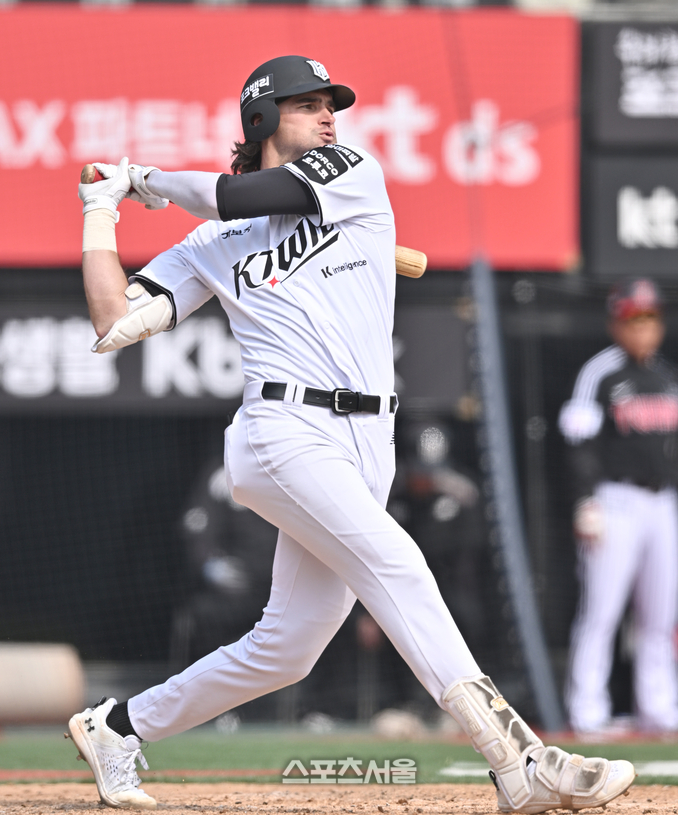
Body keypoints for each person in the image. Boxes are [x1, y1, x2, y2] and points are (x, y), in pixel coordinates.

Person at [67, 55, 634, 812]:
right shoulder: (211, 244)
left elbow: (239, 193)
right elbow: (114, 323)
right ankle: (519, 761)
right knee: (399, 564)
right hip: (282, 430)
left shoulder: (350, 173)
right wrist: (101, 209)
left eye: (330, 103)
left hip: (370, 437)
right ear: (262, 118)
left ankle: (116, 726)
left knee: (288, 647)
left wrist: (148, 179)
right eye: (307, 104)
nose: (328, 115)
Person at [558, 277, 678, 737]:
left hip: (663, 503)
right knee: (601, 610)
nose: (642, 327)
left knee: (661, 614)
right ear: (615, 324)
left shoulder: (668, 377)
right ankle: (588, 711)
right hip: (615, 500)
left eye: (650, 317)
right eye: (633, 318)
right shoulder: (600, 373)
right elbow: (578, 439)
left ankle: (660, 712)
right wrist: (585, 499)